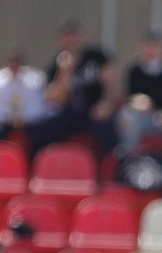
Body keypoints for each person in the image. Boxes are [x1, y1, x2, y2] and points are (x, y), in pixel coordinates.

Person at [44, 18, 119, 155]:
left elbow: (111, 82)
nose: (70, 40)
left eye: (73, 35)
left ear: (81, 36)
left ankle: (111, 163)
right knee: (48, 127)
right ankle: (53, 162)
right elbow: (54, 99)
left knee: (108, 127)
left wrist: (106, 103)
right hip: (70, 111)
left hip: (94, 108)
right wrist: (63, 73)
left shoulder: (96, 56)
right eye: (66, 36)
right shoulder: (56, 63)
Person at [118, 30, 162, 156]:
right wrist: (137, 103)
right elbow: (129, 97)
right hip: (145, 117)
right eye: (147, 46)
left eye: (154, 46)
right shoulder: (134, 70)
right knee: (126, 116)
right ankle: (130, 156)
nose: (150, 50)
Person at [0, 49, 57, 144]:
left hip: (29, 122)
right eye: (11, 62)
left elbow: (41, 105)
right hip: (4, 122)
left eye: (16, 62)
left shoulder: (34, 81)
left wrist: (24, 119)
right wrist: (8, 118)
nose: (14, 65)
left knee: (43, 133)